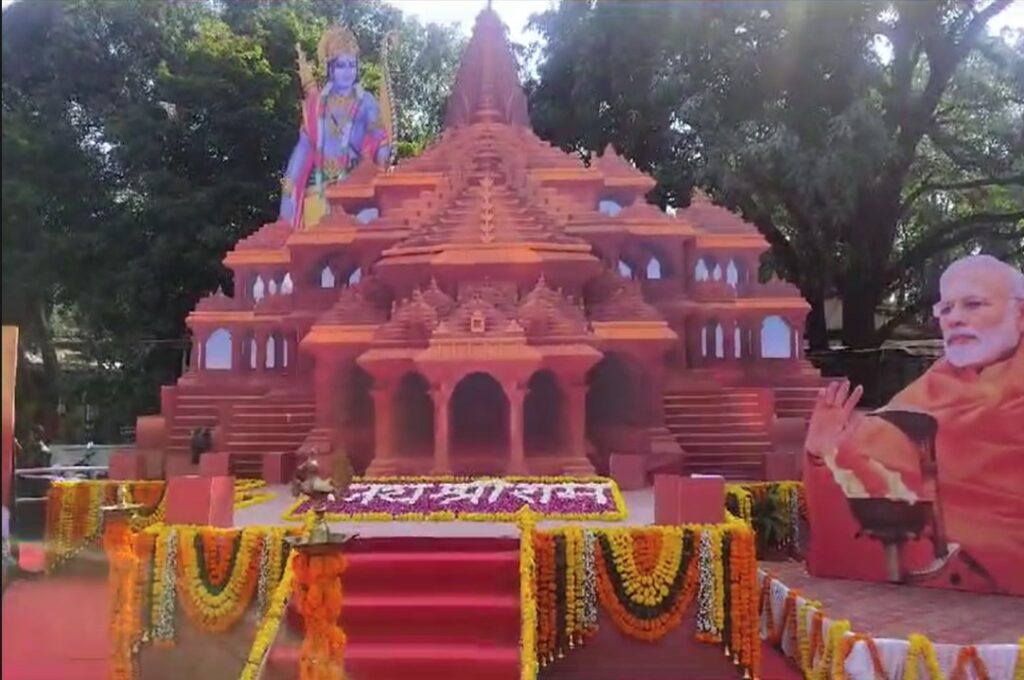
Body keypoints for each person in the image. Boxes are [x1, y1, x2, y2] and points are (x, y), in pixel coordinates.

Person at [803, 254, 1024, 594]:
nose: (955, 319)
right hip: (936, 593)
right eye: (946, 308)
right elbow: (864, 469)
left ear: (1020, 314)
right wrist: (822, 455)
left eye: (973, 304)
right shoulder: (927, 392)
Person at [278, 22, 391, 227]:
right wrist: (288, 195)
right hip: (319, 195)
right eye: (340, 65)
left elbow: (380, 141)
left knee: (368, 225)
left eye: (351, 65)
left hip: (357, 196)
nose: (347, 72)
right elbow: (301, 153)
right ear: (330, 68)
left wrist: (380, 169)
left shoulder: (366, 102)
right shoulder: (316, 107)